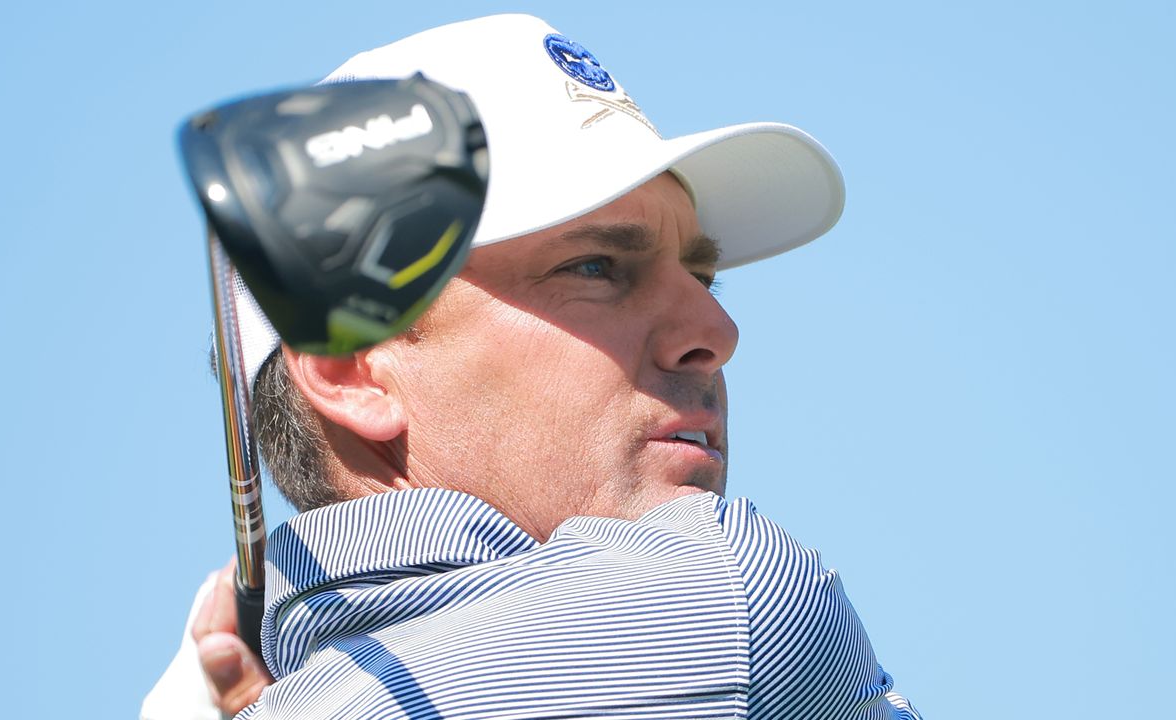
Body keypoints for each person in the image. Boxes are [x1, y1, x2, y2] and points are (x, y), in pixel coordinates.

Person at [142, 13, 922, 720]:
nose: (715, 330)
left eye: (703, 276)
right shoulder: (724, 606)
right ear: (355, 374)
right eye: (593, 267)